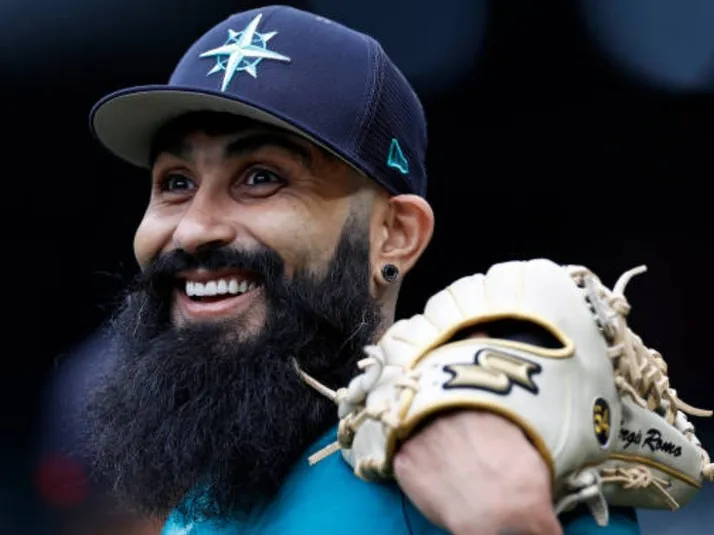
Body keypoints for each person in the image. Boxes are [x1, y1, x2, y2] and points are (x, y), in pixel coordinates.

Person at [85, 5, 641, 535]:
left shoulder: (497, 458)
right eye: (176, 183)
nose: (192, 230)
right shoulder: (207, 495)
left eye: (260, 178)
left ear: (394, 235)